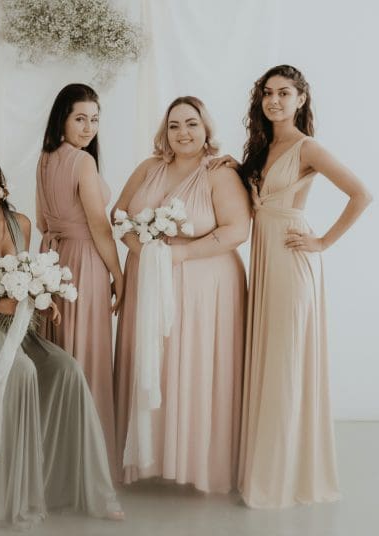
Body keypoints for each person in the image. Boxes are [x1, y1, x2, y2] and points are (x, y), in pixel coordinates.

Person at [0, 144, 124, 528]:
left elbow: (21, 280)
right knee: (21, 372)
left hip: (10, 325)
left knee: (66, 369)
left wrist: (42, 299)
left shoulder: (22, 223)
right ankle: (16, 497)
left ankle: (80, 490)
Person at [210, 64, 373, 508]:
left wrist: (322, 242)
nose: (274, 100)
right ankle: (265, 469)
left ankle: (283, 478)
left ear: (301, 99)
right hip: (266, 261)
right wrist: (235, 166)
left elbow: (361, 194)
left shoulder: (307, 147)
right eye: (267, 93)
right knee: (269, 360)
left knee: (285, 364)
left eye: (284, 93)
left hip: (292, 262)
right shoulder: (263, 147)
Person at [112, 96, 250, 492]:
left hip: (203, 286)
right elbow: (119, 216)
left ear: (206, 129)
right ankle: (147, 460)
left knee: (190, 365)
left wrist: (179, 254)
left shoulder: (220, 173)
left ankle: (194, 464)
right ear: (164, 131)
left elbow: (237, 229)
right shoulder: (149, 167)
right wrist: (146, 253)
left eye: (191, 124)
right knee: (153, 364)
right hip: (149, 277)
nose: (182, 132)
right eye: (174, 125)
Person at [35, 83, 124, 477]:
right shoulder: (83, 162)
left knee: (60, 348)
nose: (89, 128)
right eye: (80, 119)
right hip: (86, 260)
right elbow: (100, 227)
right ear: (63, 119)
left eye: (95, 120)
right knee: (86, 349)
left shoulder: (45, 159)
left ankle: (57, 456)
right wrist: (118, 273)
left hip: (53, 261)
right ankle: (89, 460)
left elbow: (42, 220)